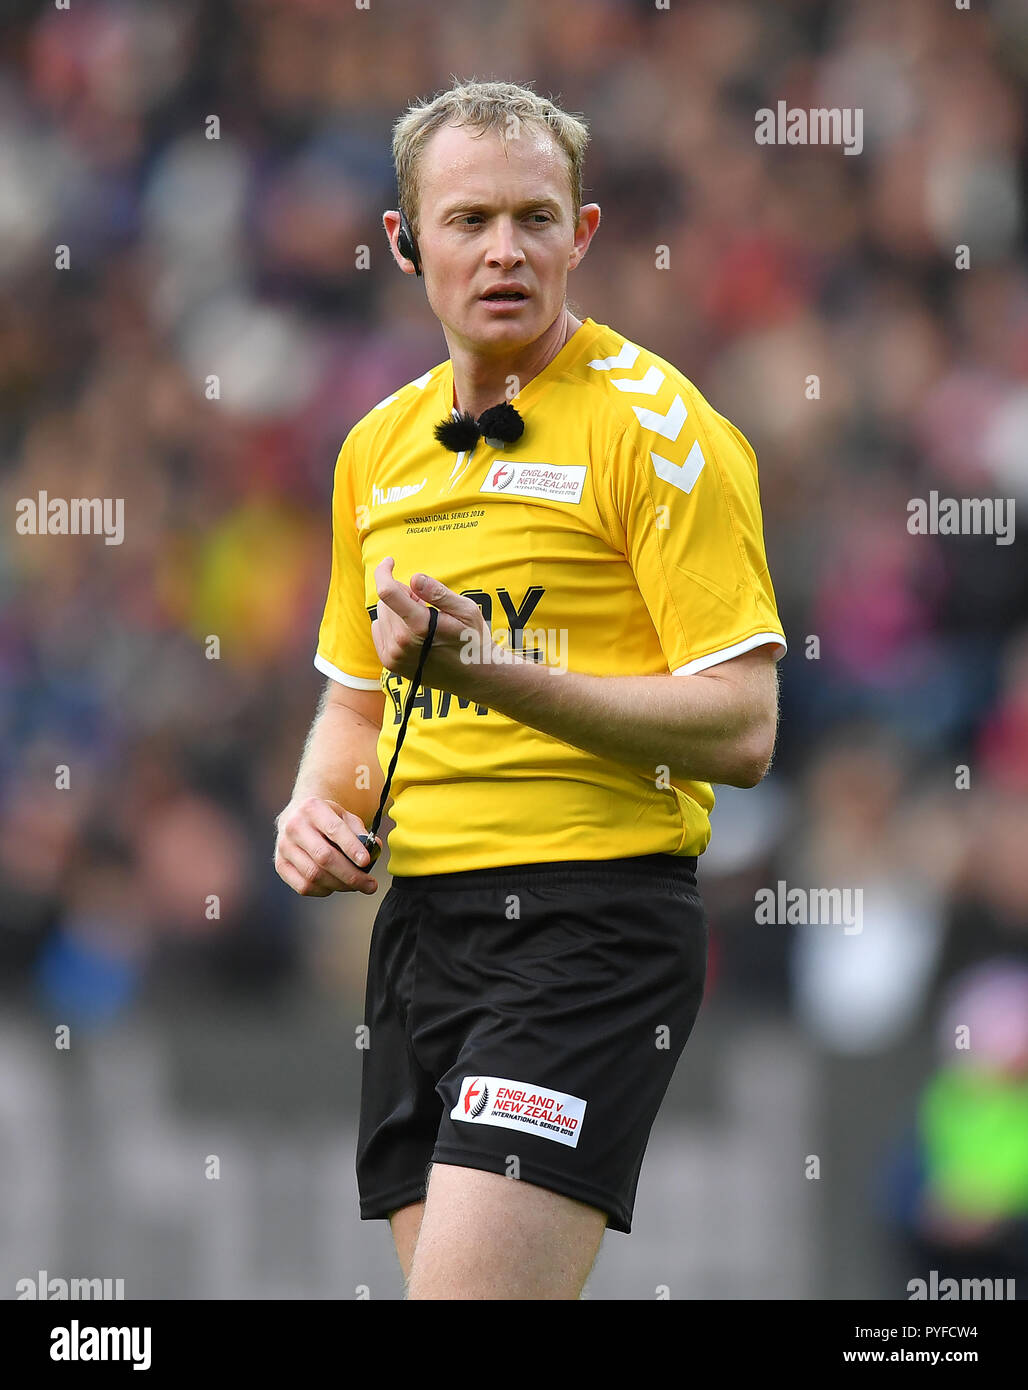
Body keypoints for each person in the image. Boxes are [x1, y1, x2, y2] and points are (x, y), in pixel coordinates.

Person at [274, 78, 787, 1300]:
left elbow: (744, 724)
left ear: (583, 234)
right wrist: (316, 810)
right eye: (467, 221)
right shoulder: (373, 450)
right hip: (417, 936)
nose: (505, 250)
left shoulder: (659, 430)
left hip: (587, 928)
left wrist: (491, 669)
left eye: (534, 219)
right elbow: (356, 698)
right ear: (404, 244)